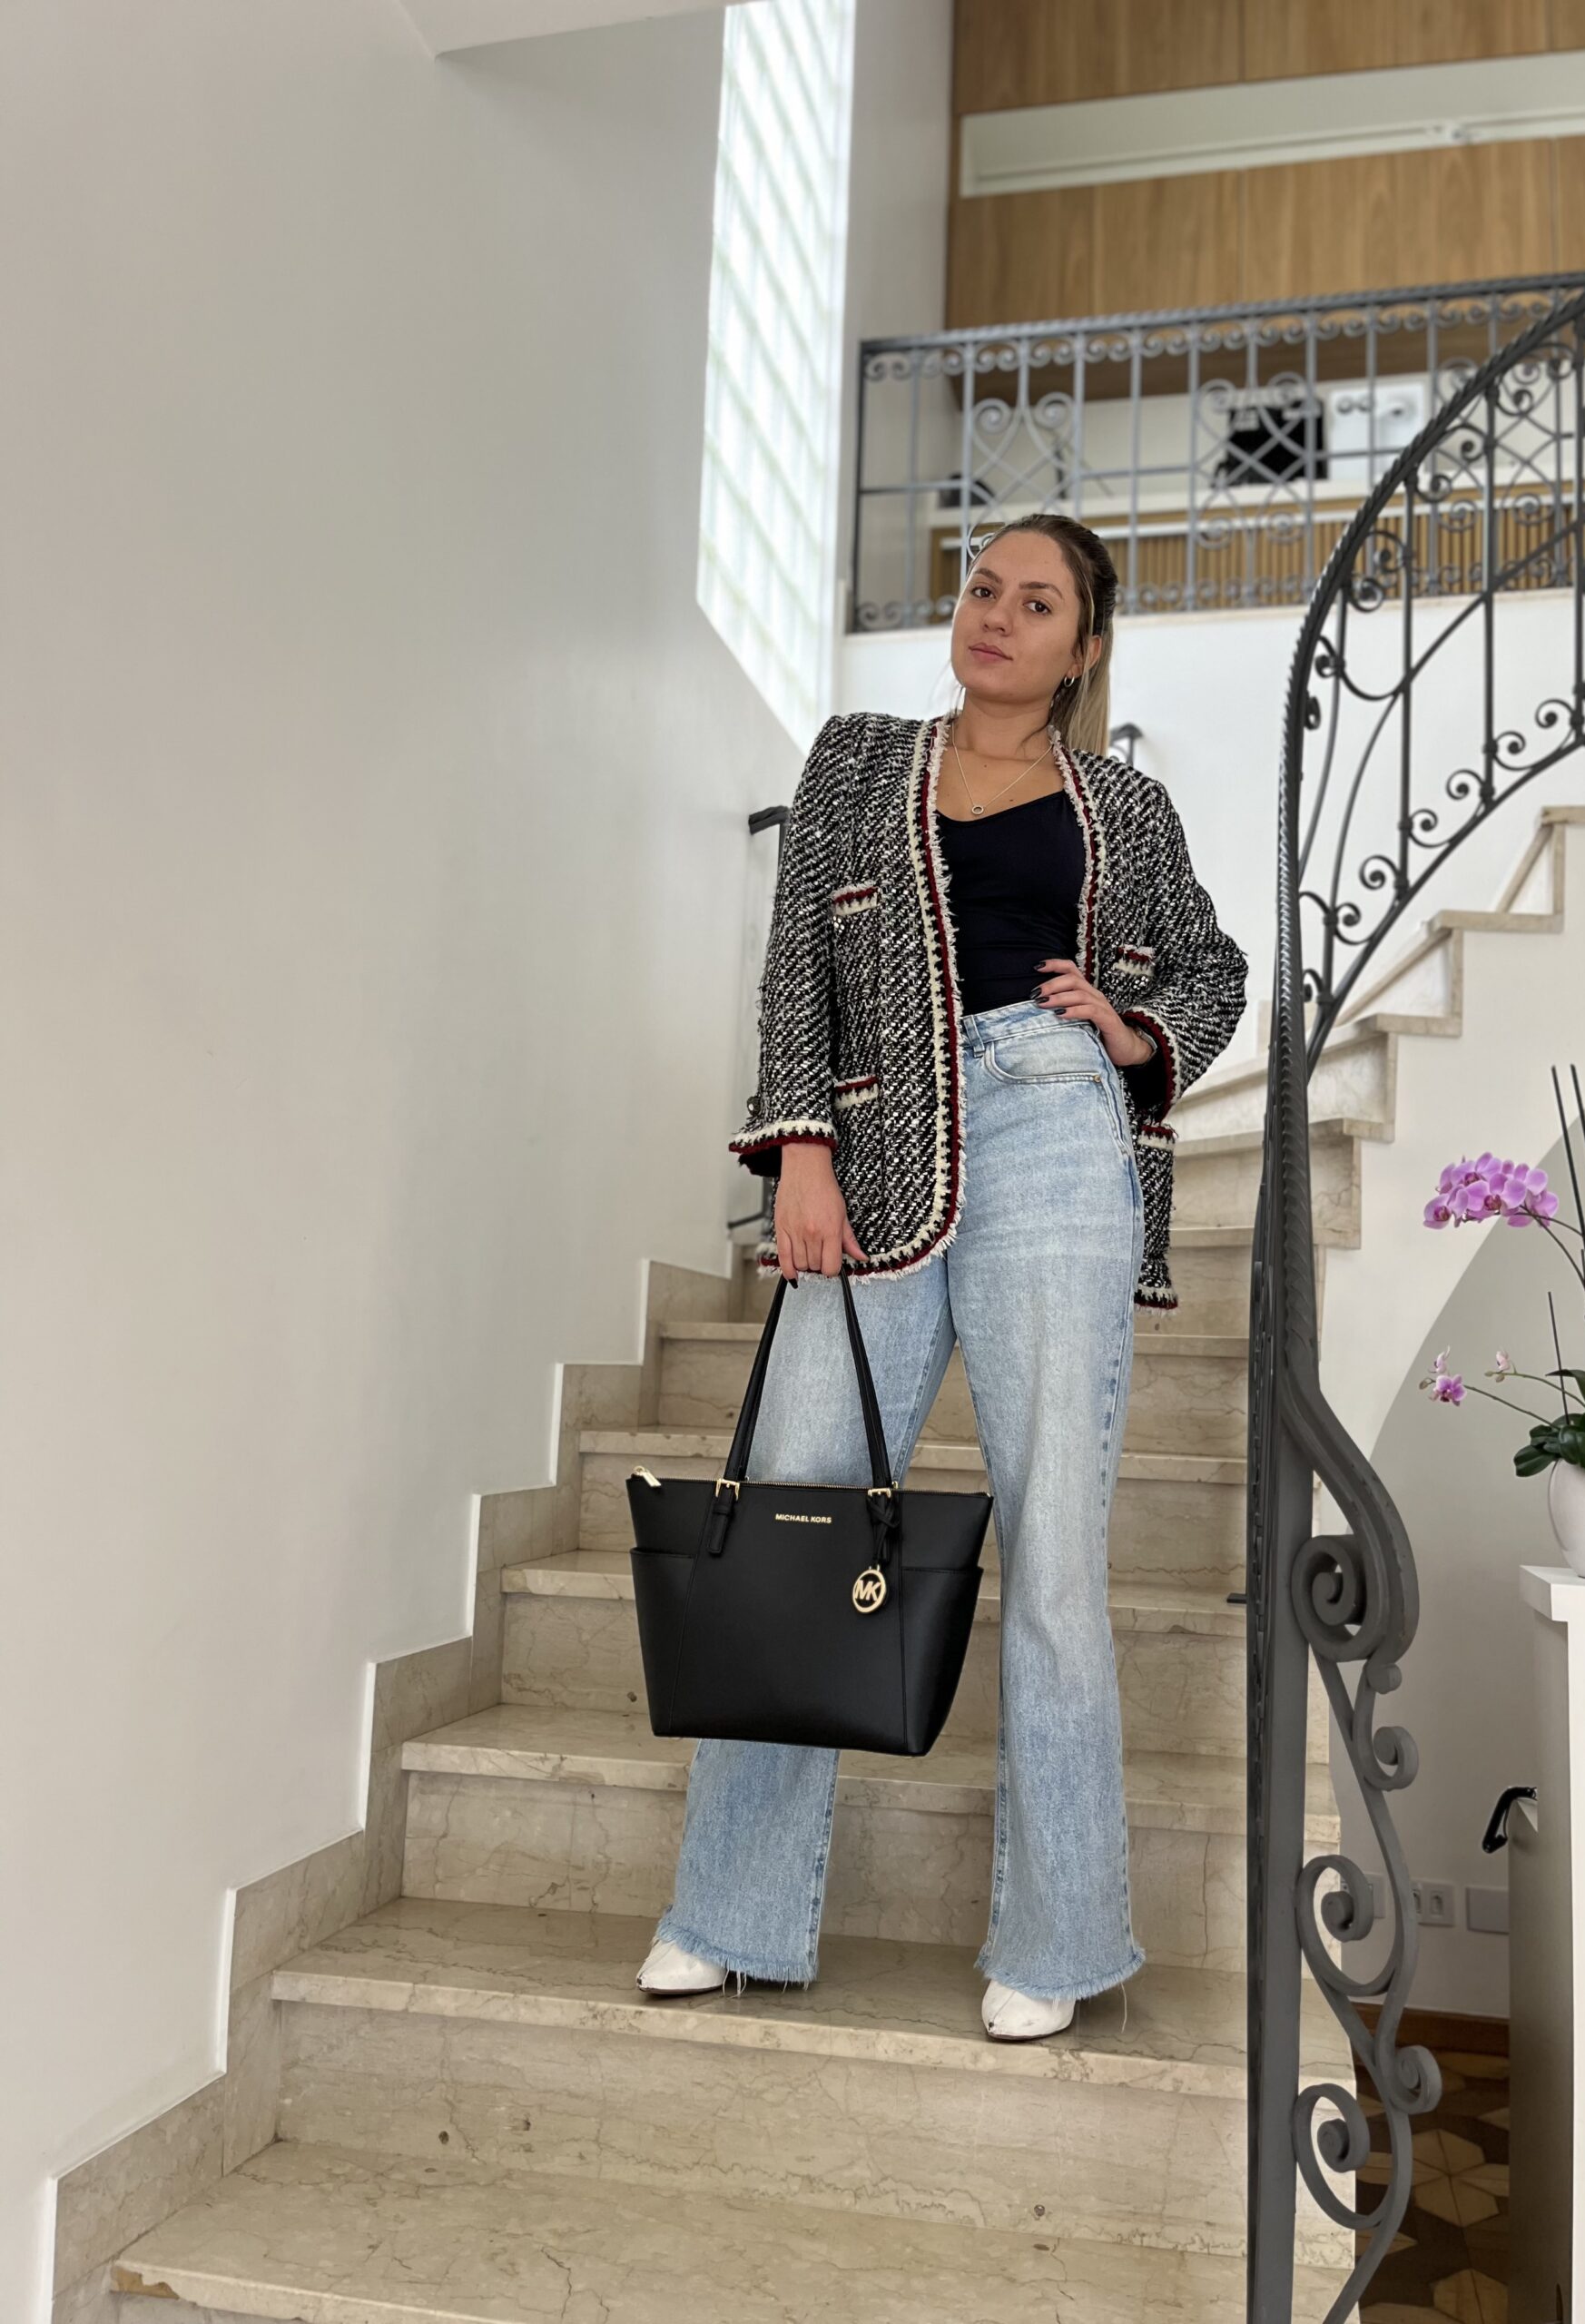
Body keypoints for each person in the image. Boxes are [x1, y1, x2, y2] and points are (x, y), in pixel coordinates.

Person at [637, 512, 1247, 2039]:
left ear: (1082, 647)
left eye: (1036, 603)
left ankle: (1057, 1941)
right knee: (796, 1506)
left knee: (1056, 1562)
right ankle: (728, 1913)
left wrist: (1131, 1031)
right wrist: (802, 1150)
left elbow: (1214, 968)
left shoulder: (1125, 805)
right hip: (872, 1150)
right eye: (984, 588)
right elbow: (798, 968)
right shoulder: (856, 761)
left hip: (1057, 1129)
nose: (996, 615)